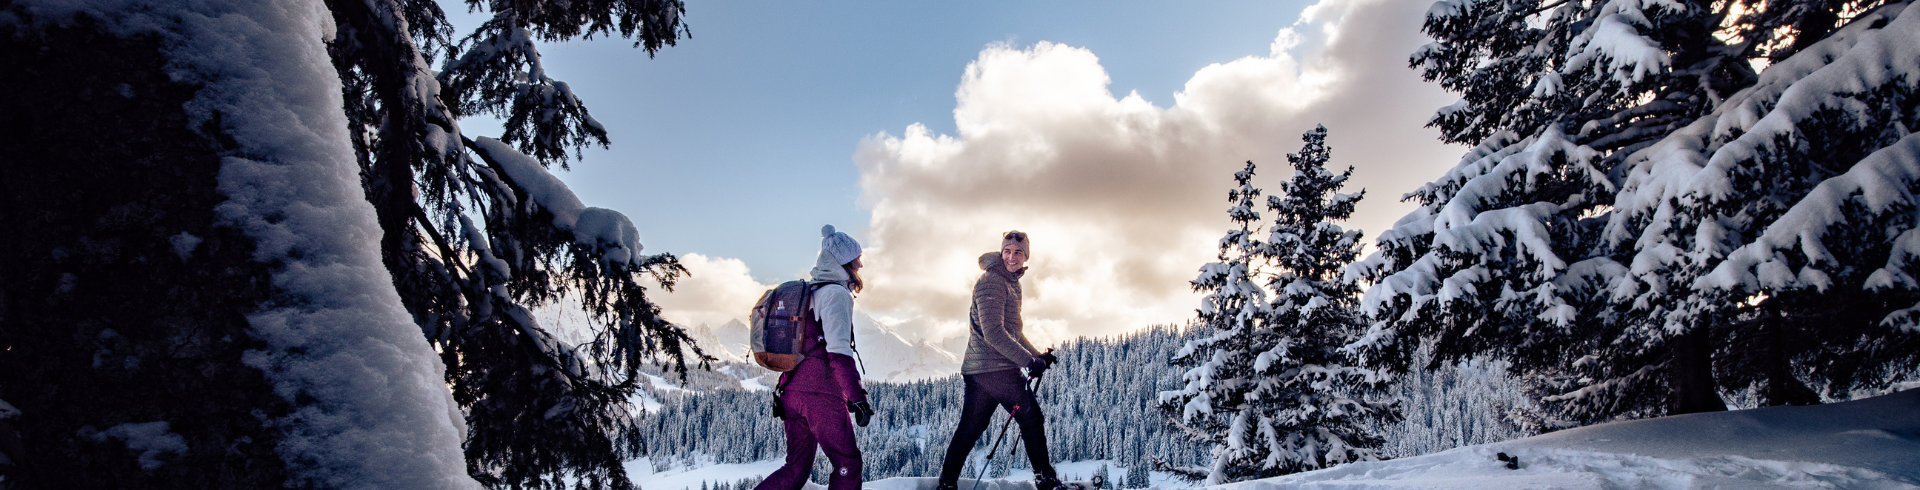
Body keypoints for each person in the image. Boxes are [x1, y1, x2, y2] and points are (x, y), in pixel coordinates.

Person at [936, 230, 1063, 490]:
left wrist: (1036, 355)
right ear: (1001, 253)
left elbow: (1013, 332)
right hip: (997, 370)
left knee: (970, 429)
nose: (1012, 256)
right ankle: (1046, 480)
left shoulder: (1009, 282)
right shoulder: (993, 281)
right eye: (1007, 251)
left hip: (981, 370)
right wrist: (1028, 361)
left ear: (1026, 256)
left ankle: (946, 484)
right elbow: (994, 333)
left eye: (1018, 252)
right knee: (1031, 419)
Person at [757, 225, 874, 490]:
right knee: (848, 463)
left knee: (796, 468)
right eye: (857, 258)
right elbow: (838, 353)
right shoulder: (835, 295)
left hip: (791, 391)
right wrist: (857, 398)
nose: (861, 264)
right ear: (843, 262)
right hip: (819, 394)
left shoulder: (809, 293)